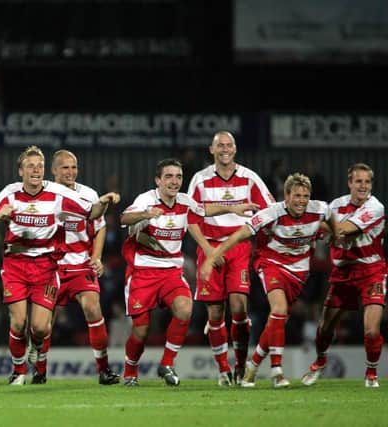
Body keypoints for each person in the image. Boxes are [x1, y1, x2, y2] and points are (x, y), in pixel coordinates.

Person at [0, 145, 120, 385]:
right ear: (20, 171)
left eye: (38, 166)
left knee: (41, 327)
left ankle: (98, 367)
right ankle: (20, 371)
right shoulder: (9, 194)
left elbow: (93, 215)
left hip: (48, 265)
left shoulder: (60, 195)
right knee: (19, 321)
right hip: (16, 264)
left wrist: (103, 201)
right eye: (30, 166)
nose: (35, 170)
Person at [120, 158, 258, 387]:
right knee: (141, 330)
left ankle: (167, 363)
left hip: (171, 270)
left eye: (178, 177)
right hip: (143, 270)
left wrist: (232, 208)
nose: (174, 182)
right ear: (158, 181)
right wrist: (145, 214)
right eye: (169, 176)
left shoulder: (184, 201)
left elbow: (203, 210)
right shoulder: (146, 199)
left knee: (185, 308)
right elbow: (124, 218)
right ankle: (130, 372)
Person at [200, 173, 332, 388]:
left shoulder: (320, 210)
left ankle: (253, 365)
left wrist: (336, 235)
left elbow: (333, 224)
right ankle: (276, 371)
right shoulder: (271, 214)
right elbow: (237, 235)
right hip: (271, 264)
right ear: (286, 196)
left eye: (305, 196)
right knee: (279, 311)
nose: (301, 200)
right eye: (296, 195)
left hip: (299, 272)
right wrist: (211, 258)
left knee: (278, 321)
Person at [187, 131, 275, 385]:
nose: (225, 149)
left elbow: (269, 210)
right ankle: (223, 370)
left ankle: (239, 365)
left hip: (238, 247)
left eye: (229, 145)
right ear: (211, 150)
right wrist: (209, 251)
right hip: (209, 246)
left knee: (239, 306)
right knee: (215, 312)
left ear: (235, 149)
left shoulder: (250, 178)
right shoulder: (200, 179)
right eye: (220, 146)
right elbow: (191, 219)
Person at [29, 149, 120, 385]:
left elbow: (99, 227)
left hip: (80, 264)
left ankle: (104, 369)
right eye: (65, 168)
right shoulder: (44, 193)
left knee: (93, 309)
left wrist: (97, 257)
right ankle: (40, 371)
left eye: (74, 167)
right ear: (54, 170)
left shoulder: (89, 194)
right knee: (44, 324)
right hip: (52, 267)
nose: (70, 172)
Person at [301, 163, 385, 388]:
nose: (363, 186)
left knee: (371, 329)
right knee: (326, 325)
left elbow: (342, 229)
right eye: (358, 181)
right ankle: (319, 362)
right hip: (342, 272)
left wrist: (325, 227)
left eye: (367, 182)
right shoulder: (336, 205)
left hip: (371, 271)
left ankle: (371, 373)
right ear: (350, 183)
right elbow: (319, 230)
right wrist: (324, 228)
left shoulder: (376, 207)